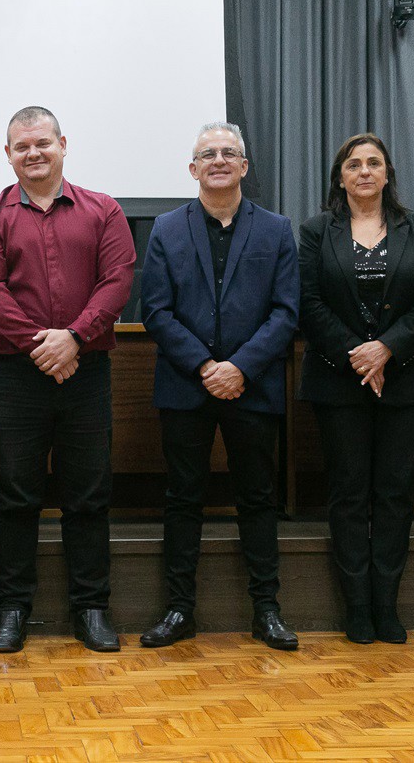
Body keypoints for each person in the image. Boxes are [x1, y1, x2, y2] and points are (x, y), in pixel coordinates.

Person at [0, 106, 135, 654]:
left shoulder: (104, 209)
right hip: (15, 377)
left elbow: (117, 280)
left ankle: (92, 609)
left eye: (42, 143)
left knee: (89, 495)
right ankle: (12, 608)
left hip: (87, 373)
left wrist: (75, 338)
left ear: (63, 144)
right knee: (15, 495)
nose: (33, 153)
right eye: (22, 146)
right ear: (8, 154)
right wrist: (45, 346)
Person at [138, 122, 300, 651]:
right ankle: (179, 609)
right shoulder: (166, 228)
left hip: (252, 387)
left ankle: (267, 610)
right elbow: (155, 311)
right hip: (186, 386)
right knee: (183, 498)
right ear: (193, 169)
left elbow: (286, 311)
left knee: (258, 498)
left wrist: (240, 368)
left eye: (229, 152)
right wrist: (207, 366)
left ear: (244, 166)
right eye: (208, 154)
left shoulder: (276, 229)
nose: (219, 160)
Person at [296, 133, 414, 644]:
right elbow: (308, 301)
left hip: (404, 379)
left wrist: (386, 349)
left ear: (387, 174)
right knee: (348, 493)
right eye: (354, 164)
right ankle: (357, 607)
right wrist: (356, 353)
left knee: (395, 493)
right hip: (337, 381)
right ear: (340, 177)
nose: (364, 171)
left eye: (374, 163)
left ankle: (387, 605)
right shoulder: (316, 231)